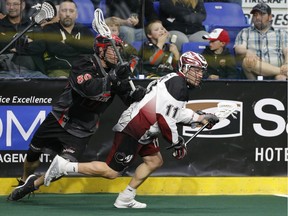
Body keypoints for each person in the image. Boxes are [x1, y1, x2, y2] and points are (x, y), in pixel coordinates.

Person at [43, 51, 219, 208]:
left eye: (201, 70)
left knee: (154, 161)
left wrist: (199, 118)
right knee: (111, 172)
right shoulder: (178, 85)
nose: (200, 74)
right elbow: (165, 119)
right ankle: (65, 166)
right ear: (185, 67)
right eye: (196, 69)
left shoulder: (176, 81)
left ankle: (126, 198)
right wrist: (176, 142)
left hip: (145, 127)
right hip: (135, 127)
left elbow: (171, 113)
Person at [7, 34, 147, 201]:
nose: (117, 54)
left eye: (119, 51)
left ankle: (32, 185)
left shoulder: (117, 73)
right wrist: (112, 78)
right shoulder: (84, 63)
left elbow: (127, 98)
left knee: (63, 167)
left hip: (82, 130)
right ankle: (24, 179)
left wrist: (136, 95)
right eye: (112, 50)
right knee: (32, 154)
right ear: (100, 51)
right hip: (60, 119)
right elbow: (88, 89)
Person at [32, 0, 95, 78]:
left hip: (82, 70)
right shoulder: (49, 29)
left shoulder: (84, 30)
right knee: (62, 80)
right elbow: (55, 49)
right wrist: (80, 47)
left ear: (77, 15)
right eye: (64, 11)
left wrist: (69, 41)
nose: (67, 14)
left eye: (71, 11)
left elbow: (92, 48)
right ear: (59, 14)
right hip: (59, 70)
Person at [234, 3, 288, 80]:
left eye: (262, 14)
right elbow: (238, 49)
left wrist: (286, 64)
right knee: (247, 62)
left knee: (281, 78)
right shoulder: (245, 32)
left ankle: (281, 73)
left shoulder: (281, 33)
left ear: (270, 17)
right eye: (255, 15)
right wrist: (247, 52)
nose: (258, 17)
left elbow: (287, 51)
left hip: (278, 73)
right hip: (254, 74)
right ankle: (281, 71)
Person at [0, 0, 47, 78]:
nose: (11, 7)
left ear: (23, 5)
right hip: (4, 72)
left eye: (15, 4)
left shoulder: (33, 24)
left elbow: (40, 47)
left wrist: (15, 48)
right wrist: (26, 41)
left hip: (34, 73)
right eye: (8, 4)